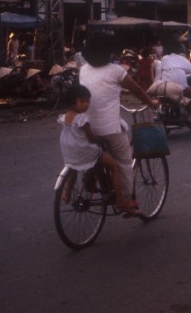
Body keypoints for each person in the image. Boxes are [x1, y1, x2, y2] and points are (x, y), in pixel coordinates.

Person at [78, 33, 159, 217]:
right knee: (123, 161)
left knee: (97, 155)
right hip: (109, 129)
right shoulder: (116, 71)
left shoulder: (83, 70)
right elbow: (137, 89)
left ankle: (92, 180)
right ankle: (125, 201)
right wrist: (151, 102)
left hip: (87, 127)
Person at [57, 84, 139, 216]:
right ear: (73, 103)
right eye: (82, 101)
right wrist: (101, 140)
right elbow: (90, 137)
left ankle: (66, 194)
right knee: (114, 166)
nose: (86, 104)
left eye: (87, 101)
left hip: (69, 151)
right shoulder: (83, 118)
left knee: (73, 168)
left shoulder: (65, 116)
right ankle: (120, 200)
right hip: (85, 150)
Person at [149, 37, 191, 122]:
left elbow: (161, 71)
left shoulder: (164, 58)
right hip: (180, 86)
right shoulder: (182, 59)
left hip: (165, 85)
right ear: (180, 49)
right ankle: (189, 117)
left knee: (161, 97)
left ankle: (159, 111)